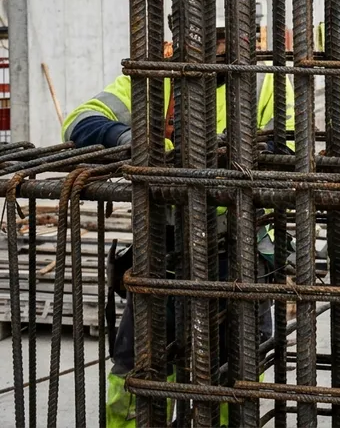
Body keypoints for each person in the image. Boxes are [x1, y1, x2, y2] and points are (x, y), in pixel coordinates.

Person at [63, 26, 296, 428]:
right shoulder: (156, 81)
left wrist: (222, 156)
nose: (216, 49)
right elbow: (79, 122)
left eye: (225, 39)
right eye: (209, 38)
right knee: (138, 367)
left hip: (236, 249)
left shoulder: (263, 86)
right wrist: (132, 138)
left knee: (235, 371)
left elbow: (287, 149)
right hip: (163, 248)